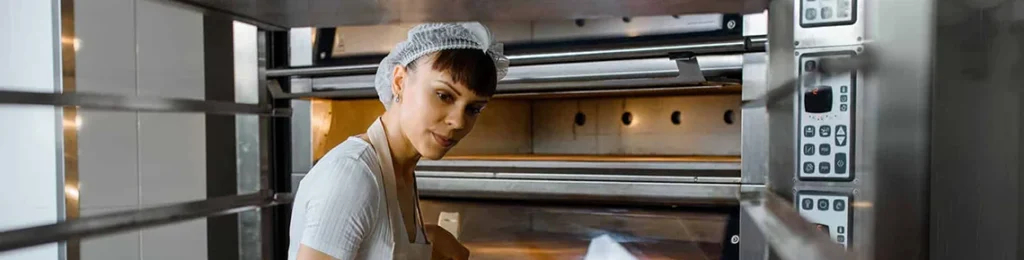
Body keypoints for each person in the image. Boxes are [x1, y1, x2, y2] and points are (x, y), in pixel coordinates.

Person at [288, 22, 509, 260]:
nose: (459, 122)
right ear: (399, 82)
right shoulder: (353, 174)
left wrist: (429, 240)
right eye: (443, 95)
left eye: (473, 109)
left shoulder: (399, 172)